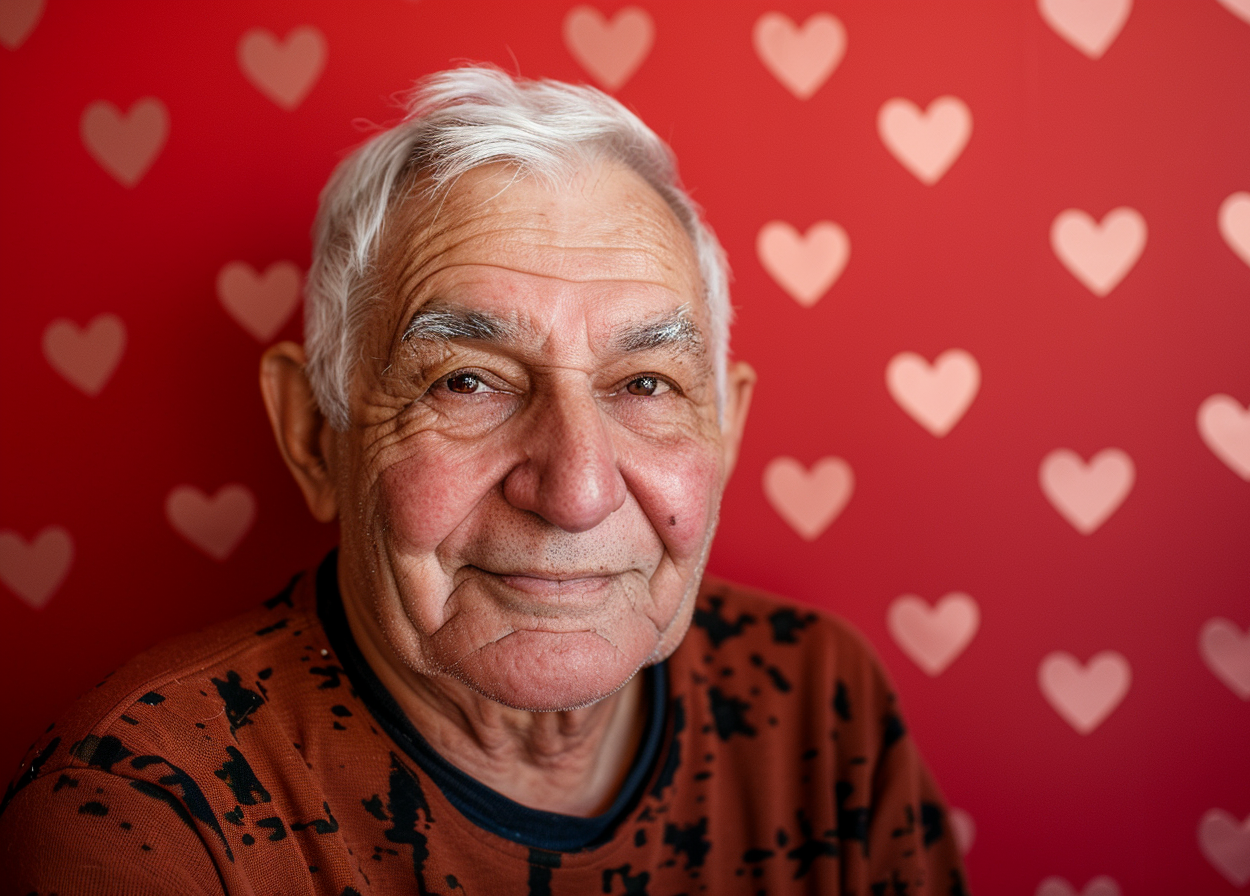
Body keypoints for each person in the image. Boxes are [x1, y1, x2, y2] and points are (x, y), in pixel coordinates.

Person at [0, 66, 967, 895]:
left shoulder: (818, 697)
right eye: (467, 381)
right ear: (311, 434)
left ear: (725, 434)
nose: (577, 489)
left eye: (644, 383)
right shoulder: (146, 809)